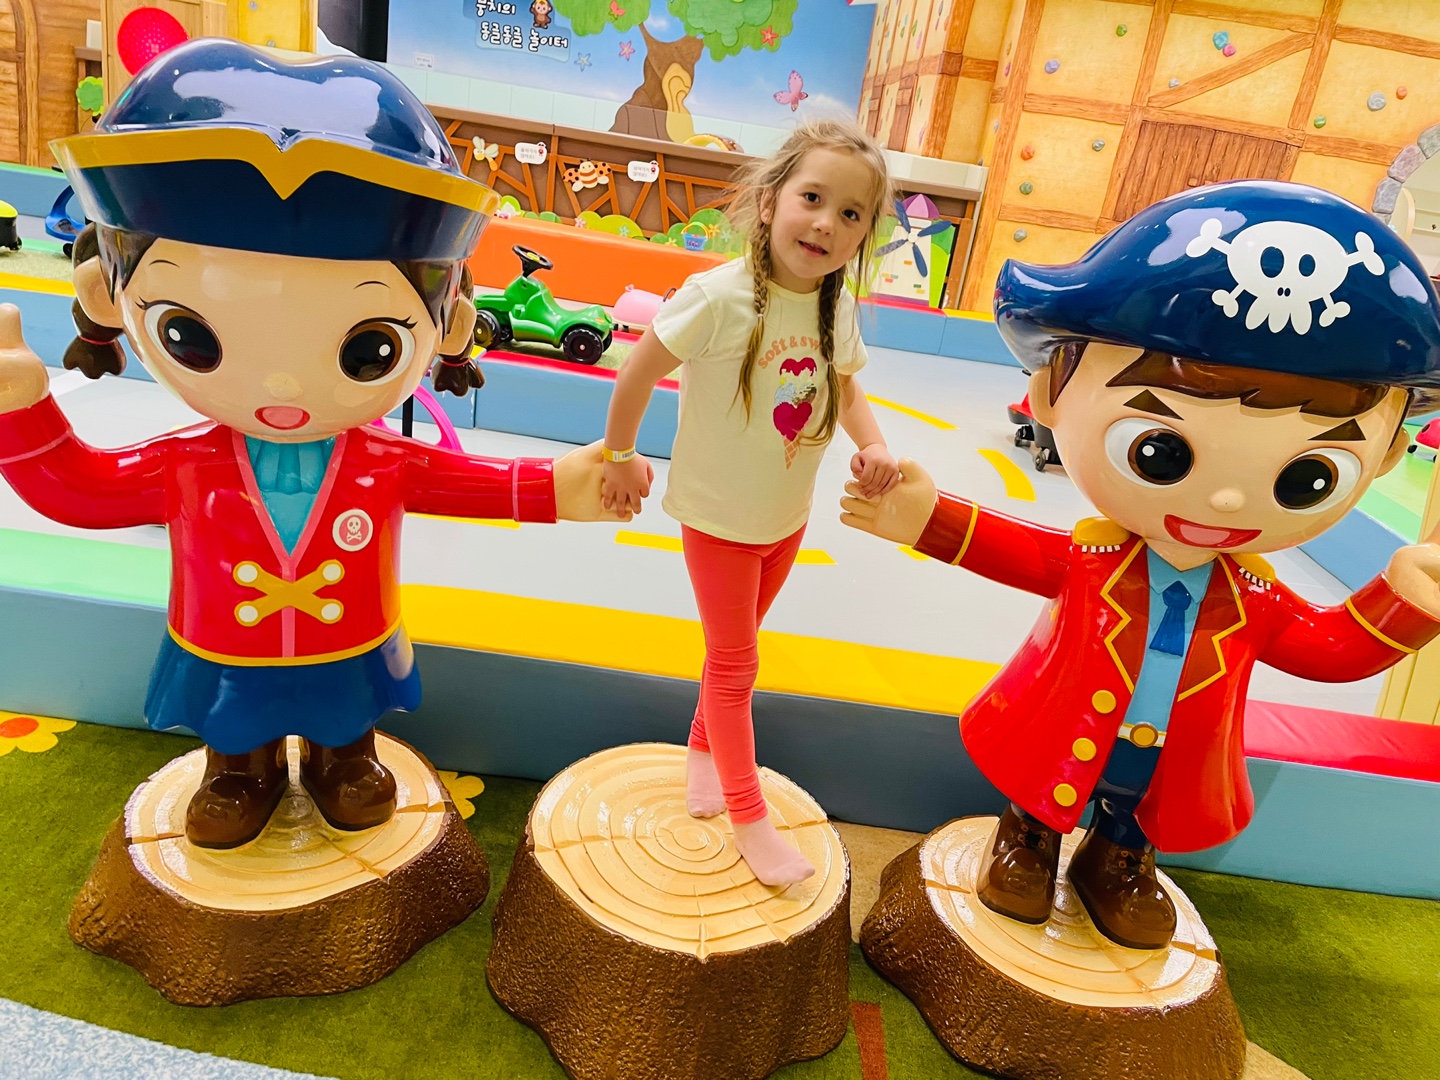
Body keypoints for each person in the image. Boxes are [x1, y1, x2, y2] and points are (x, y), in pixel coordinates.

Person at [0, 39, 622, 850]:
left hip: (348, 644)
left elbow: (469, 483)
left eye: (369, 348)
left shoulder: (383, 462)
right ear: (106, 297)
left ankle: (343, 760)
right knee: (236, 723)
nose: (283, 386)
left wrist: (560, 486)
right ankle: (237, 771)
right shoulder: (184, 464)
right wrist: (22, 413)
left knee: (344, 716)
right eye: (190, 334)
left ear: (450, 327)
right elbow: (82, 490)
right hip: (225, 647)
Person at [841, 180, 1440, 948]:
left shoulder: (1253, 595)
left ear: (1386, 457)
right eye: (1157, 451)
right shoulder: (1094, 559)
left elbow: (1325, 648)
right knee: (1045, 788)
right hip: (1060, 730)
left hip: (1172, 759)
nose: (1225, 501)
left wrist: (1406, 600)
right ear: (1050, 392)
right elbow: (1015, 549)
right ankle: (1028, 838)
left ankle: (1118, 858)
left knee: (1139, 811)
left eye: (1307, 477)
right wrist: (926, 520)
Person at [601, 120, 900, 886]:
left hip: (784, 516)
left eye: (851, 213)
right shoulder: (717, 297)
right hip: (720, 521)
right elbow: (636, 372)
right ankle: (750, 818)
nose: (827, 223)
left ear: (863, 233)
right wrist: (621, 457)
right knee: (737, 666)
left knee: (728, 656)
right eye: (812, 199)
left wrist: (873, 444)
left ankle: (704, 749)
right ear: (769, 203)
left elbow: (843, 386)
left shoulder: (835, 305)